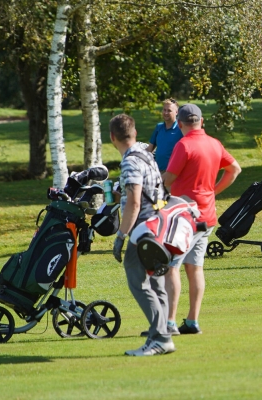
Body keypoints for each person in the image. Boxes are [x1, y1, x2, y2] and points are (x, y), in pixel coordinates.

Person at [162, 103, 241, 334]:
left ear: (180, 123)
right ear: (201, 121)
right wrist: (213, 191)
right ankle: (192, 321)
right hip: (207, 215)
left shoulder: (183, 145)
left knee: (171, 267)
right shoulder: (214, 143)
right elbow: (234, 169)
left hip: (183, 216)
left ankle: (168, 323)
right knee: (195, 268)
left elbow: (168, 179)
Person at [109, 113, 175, 356]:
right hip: (158, 224)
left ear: (112, 137)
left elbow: (134, 203)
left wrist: (120, 235)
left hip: (143, 229)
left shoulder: (129, 162)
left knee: (137, 280)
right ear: (134, 133)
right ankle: (161, 333)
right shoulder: (146, 153)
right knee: (155, 281)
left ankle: (160, 338)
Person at [146, 98, 183, 172]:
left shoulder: (181, 129)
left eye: (169, 110)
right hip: (157, 171)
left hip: (173, 173)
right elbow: (149, 149)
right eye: (164, 110)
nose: (166, 113)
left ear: (176, 112)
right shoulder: (159, 127)